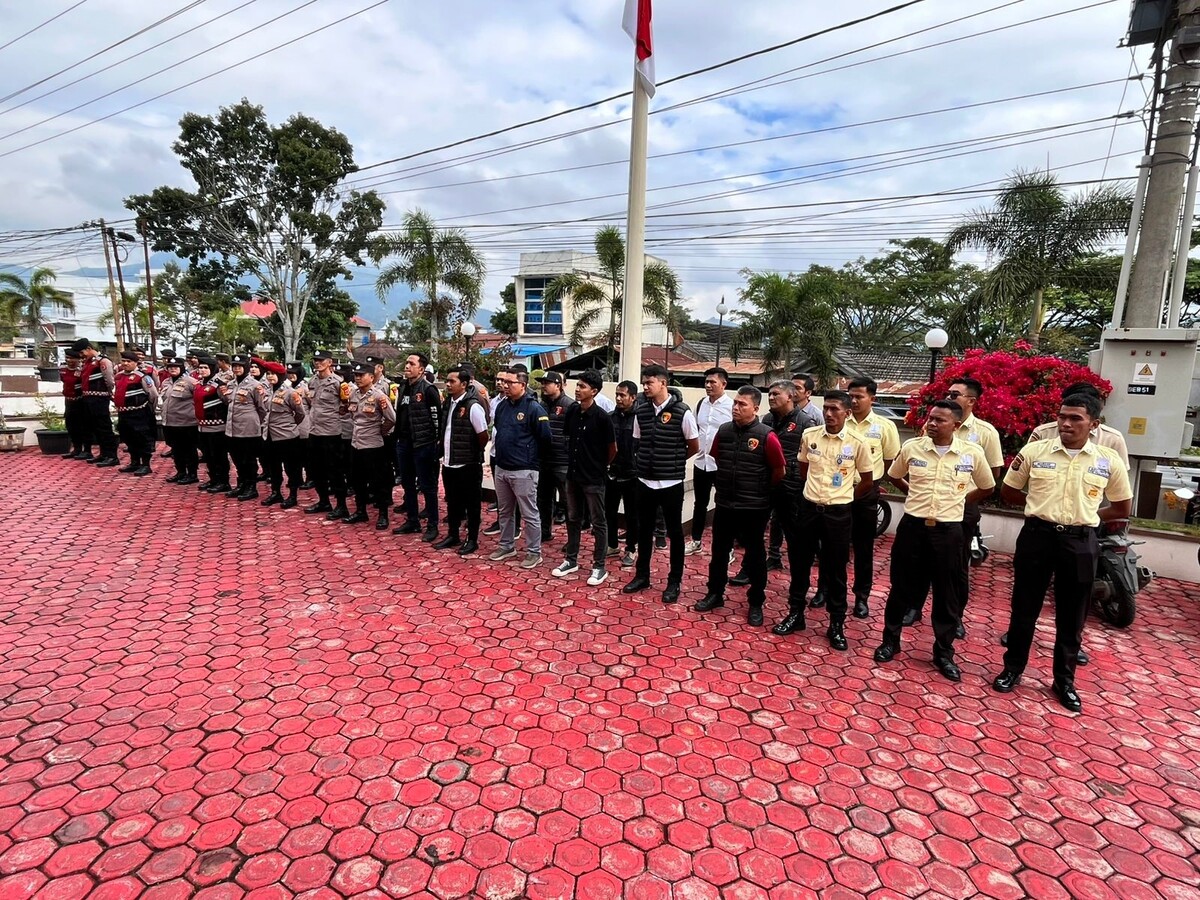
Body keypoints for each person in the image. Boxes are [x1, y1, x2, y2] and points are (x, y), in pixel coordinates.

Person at [992, 394, 1133, 713]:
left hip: (1081, 542)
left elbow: (1122, 507)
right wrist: (1038, 509)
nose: (1066, 423)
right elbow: (1009, 491)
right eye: (1062, 416)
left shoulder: (1106, 460)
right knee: (1024, 607)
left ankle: (1064, 681)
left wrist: (1091, 518)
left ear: (1094, 424)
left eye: (1076, 418)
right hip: (1037, 537)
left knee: (1073, 615)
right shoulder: (1035, 451)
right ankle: (1013, 668)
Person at [873, 401, 996, 681]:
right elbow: (895, 476)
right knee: (900, 587)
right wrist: (914, 491)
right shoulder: (913, 448)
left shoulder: (971, 453)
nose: (932, 423)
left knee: (947, 594)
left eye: (940, 420)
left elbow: (987, 486)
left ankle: (943, 652)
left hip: (949, 532)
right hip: (913, 528)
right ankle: (890, 641)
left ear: (955, 424)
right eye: (930, 418)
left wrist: (961, 501)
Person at [904, 377, 1003, 631]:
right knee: (920, 561)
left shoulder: (985, 432)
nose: (949, 397)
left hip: (962, 508)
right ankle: (913, 606)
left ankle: (954, 616)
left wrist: (962, 500)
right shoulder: (934, 425)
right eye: (948, 393)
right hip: (926, 507)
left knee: (956, 566)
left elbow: (992, 476)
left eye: (955, 394)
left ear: (971, 400)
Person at [778, 391, 874, 650]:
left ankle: (836, 624)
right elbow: (803, 468)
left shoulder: (857, 442)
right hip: (809, 509)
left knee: (836, 570)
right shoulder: (810, 436)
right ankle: (796, 614)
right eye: (826, 409)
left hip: (838, 513)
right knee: (799, 564)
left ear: (847, 413)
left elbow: (867, 481)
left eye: (835, 409)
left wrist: (843, 496)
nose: (829, 414)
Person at [693, 386, 786, 625]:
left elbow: (779, 470)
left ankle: (756, 602)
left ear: (755, 408)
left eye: (742, 404)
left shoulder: (767, 435)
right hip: (725, 503)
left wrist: (760, 491)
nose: (735, 407)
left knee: (755, 556)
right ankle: (715, 593)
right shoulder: (724, 431)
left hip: (754, 507)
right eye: (734, 403)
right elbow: (717, 457)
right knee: (719, 553)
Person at [622, 365, 700, 605]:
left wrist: (672, 462)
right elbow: (637, 442)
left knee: (674, 533)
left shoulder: (682, 412)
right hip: (645, 480)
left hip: (671, 482)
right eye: (644, 383)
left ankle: (674, 581)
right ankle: (642, 576)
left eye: (650, 382)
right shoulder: (641, 412)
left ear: (663, 383)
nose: (645, 387)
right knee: (643, 530)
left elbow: (694, 446)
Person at [846, 376, 901, 619]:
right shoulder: (838, 420)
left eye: (859, 396)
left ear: (872, 398)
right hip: (837, 490)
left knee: (863, 546)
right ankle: (826, 589)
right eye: (851, 396)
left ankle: (861, 596)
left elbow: (891, 462)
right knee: (831, 544)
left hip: (867, 491)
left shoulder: (884, 426)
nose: (854, 400)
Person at [554, 369, 616, 586]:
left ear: (594, 391)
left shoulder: (602, 418)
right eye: (577, 386)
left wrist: (598, 466)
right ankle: (571, 560)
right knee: (573, 518)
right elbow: (568, 438)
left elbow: (612, 449)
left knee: (598, 522)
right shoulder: (572, 411)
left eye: (582, 387)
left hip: (594, 478)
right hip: (572, 475)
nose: (577, 390)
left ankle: (599, 566)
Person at [489, 369, 551, 569]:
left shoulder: (534, 408)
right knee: (505, 511)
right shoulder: (502, 406)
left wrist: (530, 458)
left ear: (522, 385)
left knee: (529, 513)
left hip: (524, 469)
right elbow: (498, 428)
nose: (505, 385)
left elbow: (545, 439)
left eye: (510, 382)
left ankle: (534, 552)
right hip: (502, 467)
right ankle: (507, 545)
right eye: (504, 382)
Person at [762, 381, 809, 634]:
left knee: (797, 547)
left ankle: (797, 605)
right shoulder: (766, 420)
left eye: (776, 393)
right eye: (769, 393)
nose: (771, 397)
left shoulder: (806, 424)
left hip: (793, 492)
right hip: (766, 487)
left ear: (791, 396)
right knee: (754, 535)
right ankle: (753, 576)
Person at [437, 365, 489, 556]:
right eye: (447, 381)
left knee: (472, 504)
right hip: (449, 462)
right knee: (452, 501)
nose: (448, 385)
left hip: (467, 463)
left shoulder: (473, 405)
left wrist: (472, 452)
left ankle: (472, 539)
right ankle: (453, 535)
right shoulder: (448, 403)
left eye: (452, 381)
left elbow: (483, 435)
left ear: (464, 384)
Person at [685, 367, 734, 557]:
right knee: (700, 503)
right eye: (706, 382)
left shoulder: (732, 406)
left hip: (721, 464)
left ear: (724, 384)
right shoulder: (701, 404)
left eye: (712, 382)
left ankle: (726, 548)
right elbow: (697, 431)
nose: (708, 385)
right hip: (701, 463)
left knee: (724, 506)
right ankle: (695, 541)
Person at [394, 353, 442, 541]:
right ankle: (412, 520)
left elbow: (437, 418)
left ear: (421, 369)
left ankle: (432, 525)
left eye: (411, 364)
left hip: (423, 444)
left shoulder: (429, 390)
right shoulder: (403, 387)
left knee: (428, 486)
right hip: (404, 443)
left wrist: (435, 444)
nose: (407, 366)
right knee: (407, 485)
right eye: (406, 363)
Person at [342, 362, 396, 528]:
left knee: (377, 482)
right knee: (357, 480)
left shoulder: (379, 396)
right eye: (356, 376)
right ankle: (360, 511)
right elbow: (351, 414)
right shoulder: (353, 394)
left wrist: (380, 431)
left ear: (371, 377)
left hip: (373, 445)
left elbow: (391, 418)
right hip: (356, 443)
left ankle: (382, 515)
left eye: (361, 375)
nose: (358, 378)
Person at [304, 350, 350, 521]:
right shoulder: (312, 381)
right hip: (314, 431)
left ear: (330, 362)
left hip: (331, 432)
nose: (318, 363)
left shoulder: (339, 383)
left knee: (335, 470)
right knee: (316, 469)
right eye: (315, 360)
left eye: (321, 360)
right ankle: (323, 501)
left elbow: (346, 406)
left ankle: (341, 506)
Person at [536, 372, 576, 544]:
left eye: (547, 383)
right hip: (544, 461)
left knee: (569, 503)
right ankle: (545, 532)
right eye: (543, 383)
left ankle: (572, 540)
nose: (544, 386)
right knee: (543, 500)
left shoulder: (570, 406)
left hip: (563, 462)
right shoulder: (541, 405)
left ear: (558, 385)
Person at [222, 354, 268, 501]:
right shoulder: (230, 384)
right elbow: (228, 403)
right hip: (232, 429)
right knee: (237, 458)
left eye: (239, 366)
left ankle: (251, 486)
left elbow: (262, 408)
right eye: (234, 366)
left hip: (248, 429)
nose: (236, 369)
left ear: (246, 367)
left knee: (248, 459)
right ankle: (241, 483)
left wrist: (257, 424)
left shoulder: (255, 385)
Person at [261, 362, 307, 508]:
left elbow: (300, 413)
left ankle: (292, 495)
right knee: (273, 466)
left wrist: (289, 425)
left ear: (281, 375)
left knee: (291, 468)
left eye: (273, 374)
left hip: (287, 436)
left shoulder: (290, 392)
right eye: (268, 374)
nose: (270, 377)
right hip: (269, 435)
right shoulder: (266, 391)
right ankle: (276, 493)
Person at [605, 380, 640, 567]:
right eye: (617, 394)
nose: (618, 398)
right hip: (613, 473)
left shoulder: (640, 418)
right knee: (609, 511)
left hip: (633, 475)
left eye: (623, 395)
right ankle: (611, 545)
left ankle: (631, 548)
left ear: (633, 397)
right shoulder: (610, 417)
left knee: (632, 514)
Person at [113, 350, 159, 475]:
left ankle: (145, 464)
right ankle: (134, 462)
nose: (125, 364)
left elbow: (153, 395)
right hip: (123, 413)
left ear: (135, 363)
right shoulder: (119, 376)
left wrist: (150, 409)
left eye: (129, 361)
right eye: (123, 361)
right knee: (128, 437)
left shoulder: (142, 377)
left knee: (142, 438)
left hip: (139, 412)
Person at [75, 339, 119, 467]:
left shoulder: (103, 361)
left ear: (89, 348)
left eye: (82, 352)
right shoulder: (88, 363)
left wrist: (110, 393)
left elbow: (110, 381)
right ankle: (103, 454)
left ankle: (112, 456)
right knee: (95, 428)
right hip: (88, 399)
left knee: (104, 428)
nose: (81, 355)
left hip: (100, 398)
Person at [159, 357, 199, 484]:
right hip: (170, 422)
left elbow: (198, 400)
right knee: (176, 450)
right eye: (170, 367)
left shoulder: (191, 382)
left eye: (176, 367)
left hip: (187, 422)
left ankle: (192, 474)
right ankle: (180, 472)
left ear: (182, 368)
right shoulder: (166, 382)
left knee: (189, 449)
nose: (173, 369)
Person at [194, 357, 231, 494]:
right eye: (200, 367)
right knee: (208, 455)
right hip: (202, 426)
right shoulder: (199, 384)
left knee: (218, 455)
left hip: (217, 426)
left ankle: (223, 481)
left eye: (205, 368)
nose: (202, 370)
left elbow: (227, 402)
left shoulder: (219, 384)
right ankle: (214, 479)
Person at [60, 347, 89, 459]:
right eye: (68, 358)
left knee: (84, 425)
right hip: (68, 401)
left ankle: (86, 450)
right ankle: (76, 449)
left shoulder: (82, 370)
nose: (69, 360)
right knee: (71, 425)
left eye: (73, 358)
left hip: (80, 401)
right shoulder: (62, 369)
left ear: (78, 360)